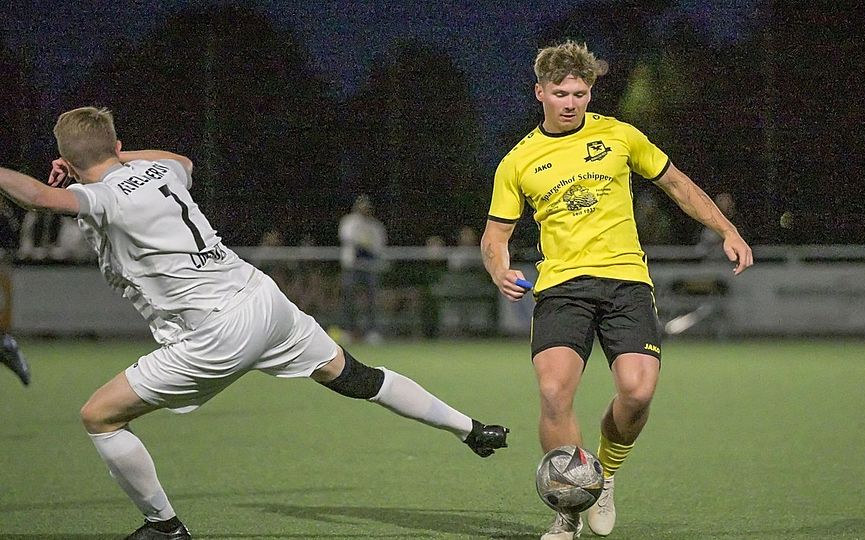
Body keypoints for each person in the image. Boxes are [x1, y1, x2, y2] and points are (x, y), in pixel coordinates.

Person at [0, 106, 508, 540]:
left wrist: (84, 168)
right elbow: (181, 160)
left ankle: (164, 527)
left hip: (215, 331)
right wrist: (115, 157)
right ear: (119, 144)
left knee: (100, 416)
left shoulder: (104, 196)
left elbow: (40, 198)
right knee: (356, 377)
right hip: (263, 299)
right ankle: (472, 429)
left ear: (66, 161)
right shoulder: (161, 172)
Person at [480, 41, 752, 540]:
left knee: (637, 390)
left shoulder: (621, 136)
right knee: (553, 390)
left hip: (627, 280)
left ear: (590, 92)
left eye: (580, 93)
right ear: (540, 92)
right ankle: (567, 510)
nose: (570, 102)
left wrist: (726, 229)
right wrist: (499, 269)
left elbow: (677, 185)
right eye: (560, 93)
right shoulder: (517, 162)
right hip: (562, 286)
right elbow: (495, 236)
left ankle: (602, 476)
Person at [338, 194, 387, 343]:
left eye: (367, 207)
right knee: (349, 299)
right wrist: (363, 241)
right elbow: (347, 238)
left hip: (369, 268)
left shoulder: (376, 226)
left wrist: (367, 245)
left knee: (371, 300)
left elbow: (378, 246)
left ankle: (371, 332)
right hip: (352, 267)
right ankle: (349, 330)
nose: (364, 209)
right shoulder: (349, 222)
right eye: (361, 206)